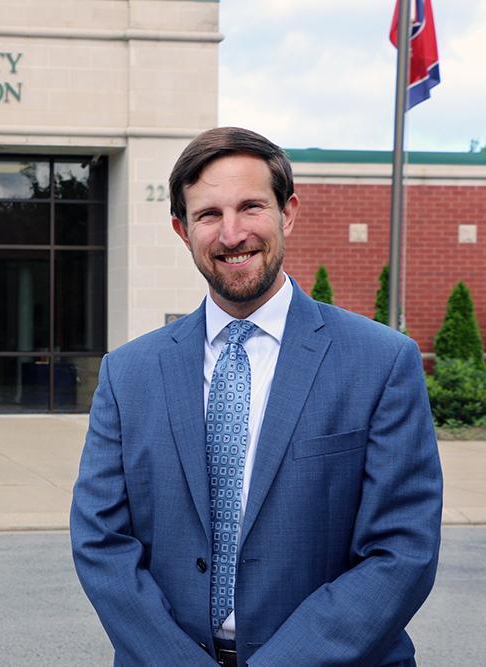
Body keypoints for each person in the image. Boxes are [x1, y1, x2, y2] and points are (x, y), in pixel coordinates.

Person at [70, 127, 442, 667]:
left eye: (250, 207)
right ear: (181, 228)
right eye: (208, 215)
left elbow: (401, 551)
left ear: (287, 212)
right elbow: (101, 541)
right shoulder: (128, 374)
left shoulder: (381, 363)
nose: (232, 233)